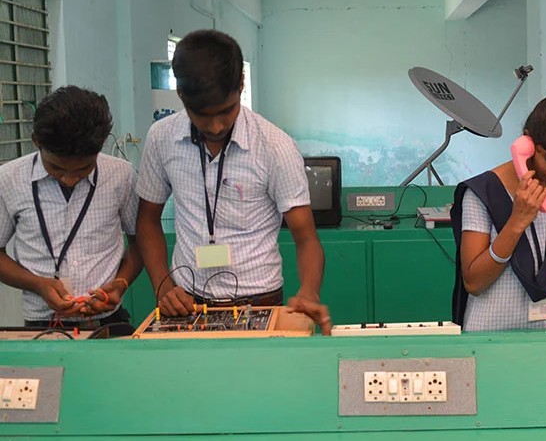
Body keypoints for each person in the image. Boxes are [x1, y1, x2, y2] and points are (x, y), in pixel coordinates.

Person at [136, 29, 331, 334]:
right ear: (181, 95)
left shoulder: (275, 146)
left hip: (260, 301)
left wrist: (308, 292)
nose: (215, 126)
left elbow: (306, 238)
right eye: (201, 115)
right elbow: (147, 221)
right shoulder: (161, 138)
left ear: (241, 85)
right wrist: (163, 286)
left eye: (226, 111)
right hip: (187, 303)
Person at [0, 86, 142, 334]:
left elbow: (140, 242)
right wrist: (37, 284)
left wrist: (121, 283)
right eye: (56, 167)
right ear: (36, 141)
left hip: (110, 322)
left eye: (84, 168)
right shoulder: (8, 180)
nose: (69, 179)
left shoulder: (121, 175)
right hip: (42, 327)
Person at [451, 92, 546, 331]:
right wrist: (517, 220)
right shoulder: (483, 192)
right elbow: (474, 282)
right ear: (527, 145)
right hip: (490, 334)